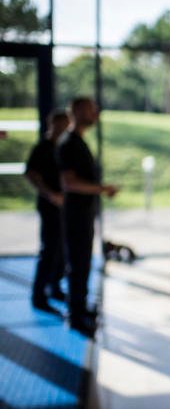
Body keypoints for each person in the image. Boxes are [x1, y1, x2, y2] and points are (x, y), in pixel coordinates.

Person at [57, 97, 119, 337]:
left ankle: (80, 309)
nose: (96, 114)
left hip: (84, 213)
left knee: (83, 263)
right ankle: (75, 316)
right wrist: (102, 189)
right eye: (92, 110)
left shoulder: (78, 142)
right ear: (80, 112)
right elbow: (69, 183)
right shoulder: (68, 143)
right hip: (75, 214)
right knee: (77, 263)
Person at [25, 109, 70, 315]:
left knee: (61, 249)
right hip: (49, 205)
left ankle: (55, 287)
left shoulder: (62, 148)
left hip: (63, 206)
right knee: (49, 249)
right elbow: (31, 174)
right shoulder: (43, 148)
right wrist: (50, 194)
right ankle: (39, 295)